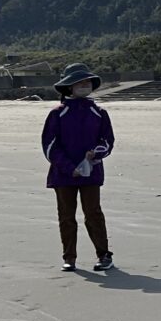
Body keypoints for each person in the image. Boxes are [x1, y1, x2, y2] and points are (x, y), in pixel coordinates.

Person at [42, 63, 117, 274]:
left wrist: (97, 153)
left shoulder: (99, 112)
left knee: (93, 214)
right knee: (66, 216)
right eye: (79, 82)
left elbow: (108, 141)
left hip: (91, 173)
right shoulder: (58, 113)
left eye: (87, 82)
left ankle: (104, 255)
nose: (84, 86)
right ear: (68, 87)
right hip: (63, 175)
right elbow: (49, 146)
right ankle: (69, 258)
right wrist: (68, 167)